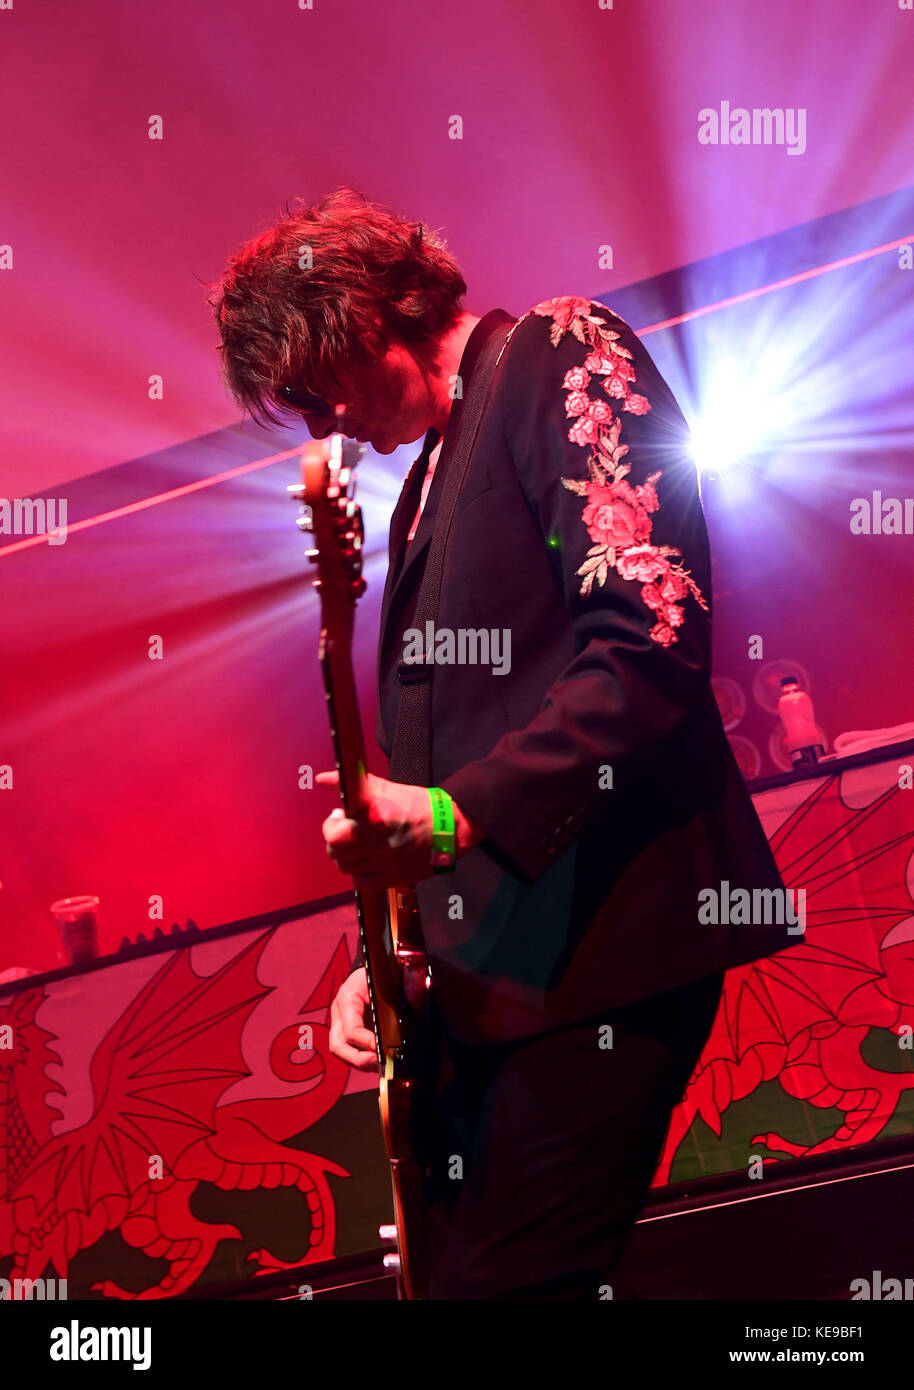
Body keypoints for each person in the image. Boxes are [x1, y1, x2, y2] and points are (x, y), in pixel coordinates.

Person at [212, 189, 800, 1299]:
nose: (322, 423)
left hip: (601, 946)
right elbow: (449, 753)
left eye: (313, 387)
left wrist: (444, 816)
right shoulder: (421, 483)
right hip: (497, 978)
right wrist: (387, 953)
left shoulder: (557, 347)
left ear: (358, 315)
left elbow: (647, 638)